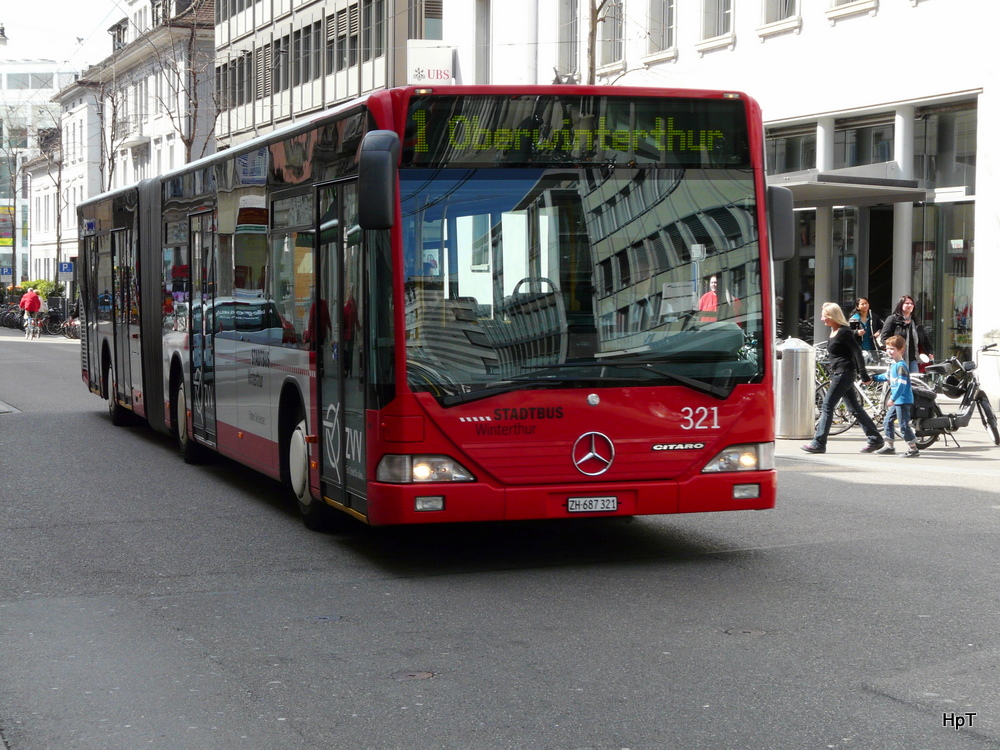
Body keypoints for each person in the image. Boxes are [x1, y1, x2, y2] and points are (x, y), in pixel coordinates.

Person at [802, 302, 885, 454]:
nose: (822, 319)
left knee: (827, 406)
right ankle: (875, 438)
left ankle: (819, 442)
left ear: (833, 316)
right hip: (840, 372)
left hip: (844, 373)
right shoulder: (834, 331)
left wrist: (864, 374)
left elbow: (857, 352)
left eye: (824, 316)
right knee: (854, 408)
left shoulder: (844, 332)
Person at [871, 335, 920, 458]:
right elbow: (886, 377)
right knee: (887, 420)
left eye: (892, 349)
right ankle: (889, 446)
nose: (889, 351)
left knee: (903, 425)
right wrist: (872, 378)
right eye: (887, 348)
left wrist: (893, 398)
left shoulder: (901, 366)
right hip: (897, 400)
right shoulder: (893, 365)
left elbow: (901, 386)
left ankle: (913, 448)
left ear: (901, 350)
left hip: (903, 400)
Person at [880, 294, 933, 374]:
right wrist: (892, 350)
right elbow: (884, 338)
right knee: (899, 382)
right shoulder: (892, 319)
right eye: (907, 303)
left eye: (911, 304)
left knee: (914, 383)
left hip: (913, 359)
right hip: (897, 359)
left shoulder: (915, 321)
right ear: (900, 305)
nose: (910, 305)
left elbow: (925, 338)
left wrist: (930, 351)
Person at [848, 297, 883, 364]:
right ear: (858, 307)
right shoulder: (854, 319)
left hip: (873, 348)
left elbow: (883, 327)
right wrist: (856, 332)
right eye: (862, 304)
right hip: (860, 348)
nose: (865, 305)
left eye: (866, 303)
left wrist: (878, 332)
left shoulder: (874, 317)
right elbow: (848, 332)